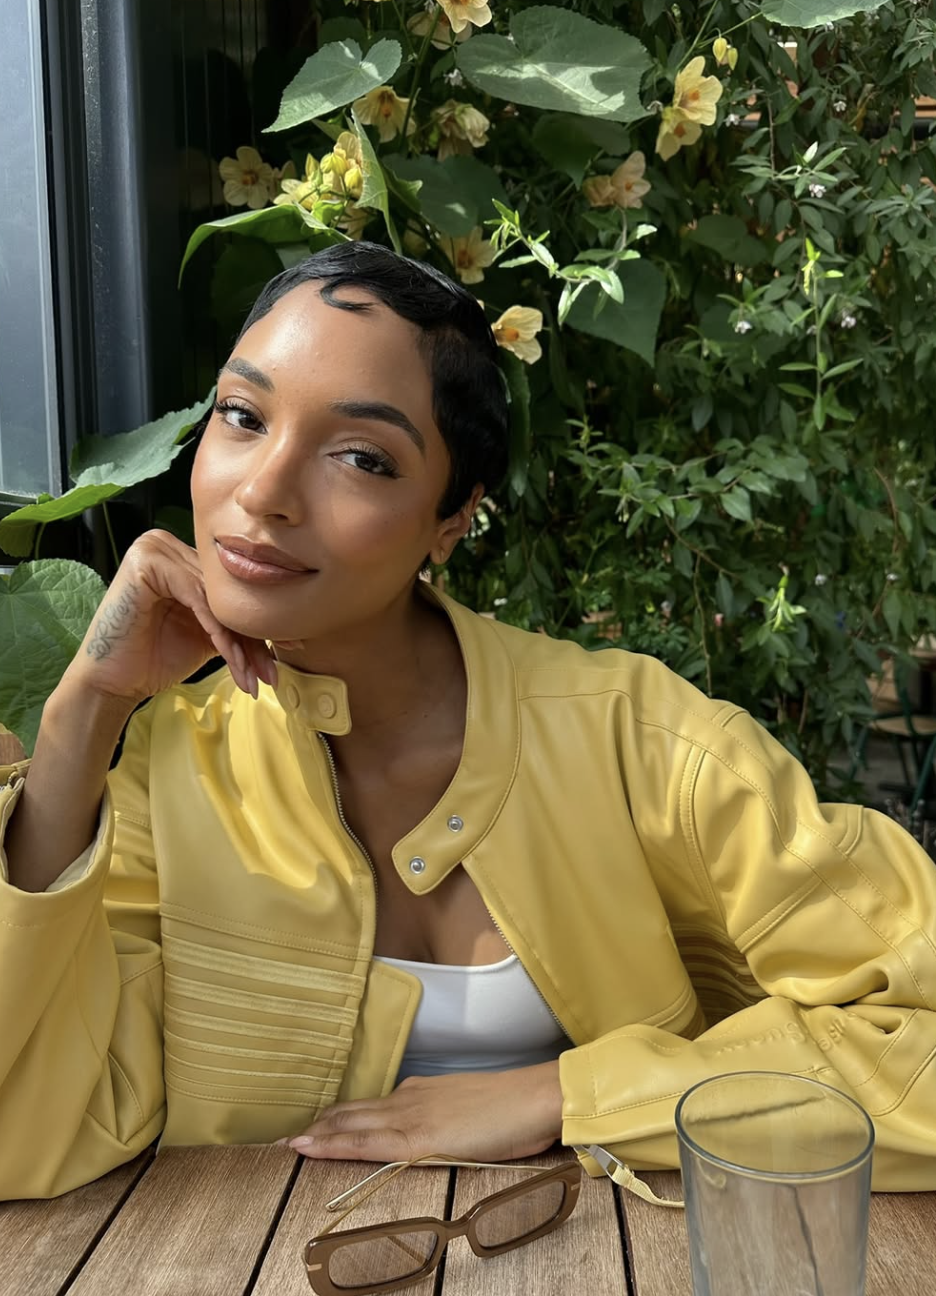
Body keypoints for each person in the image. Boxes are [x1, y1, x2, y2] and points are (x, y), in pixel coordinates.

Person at [2, 242, 935, 1203]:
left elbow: (918, 1029)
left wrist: (561, 1096)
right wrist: (84, 716)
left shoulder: (639, 742)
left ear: (452, 519)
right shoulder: (169, 765)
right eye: (243, 417)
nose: (263, 493)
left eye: (361, 456)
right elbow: (27, 1130)